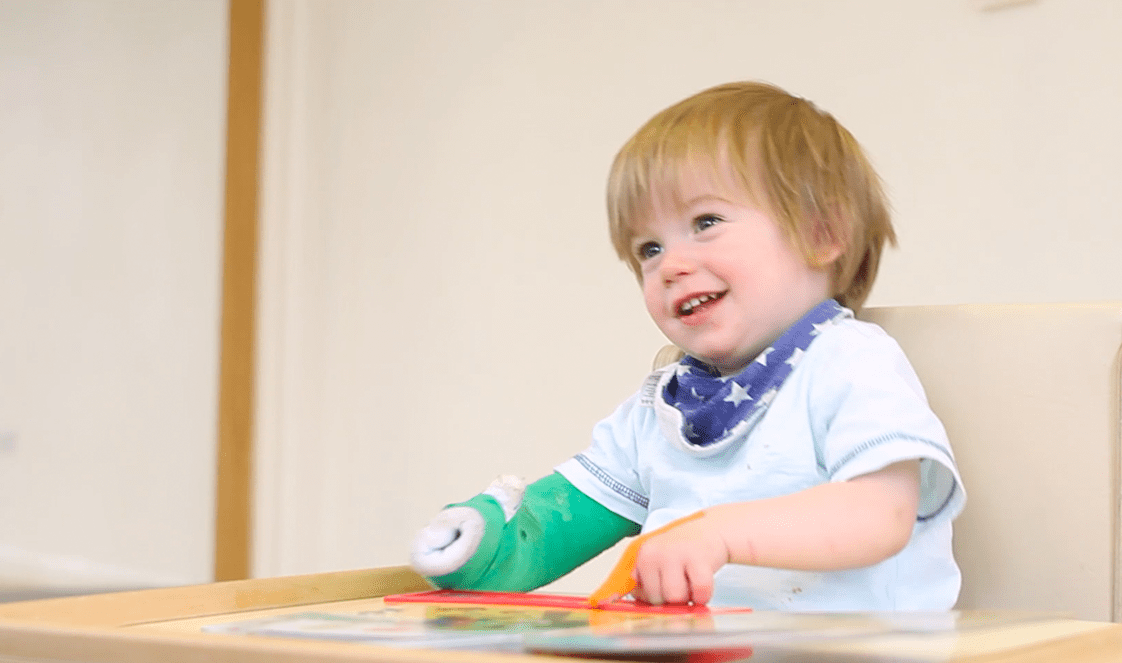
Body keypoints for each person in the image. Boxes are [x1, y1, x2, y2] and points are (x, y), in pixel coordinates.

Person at [408, 81, 964, 611]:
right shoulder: (663, 406)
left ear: (820, 234)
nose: (670, 265)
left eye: (706, 221)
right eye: (648, 248)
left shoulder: (849, 361)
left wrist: (718, 533)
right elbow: (567, 518)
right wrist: (485, 546)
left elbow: (880, 514)